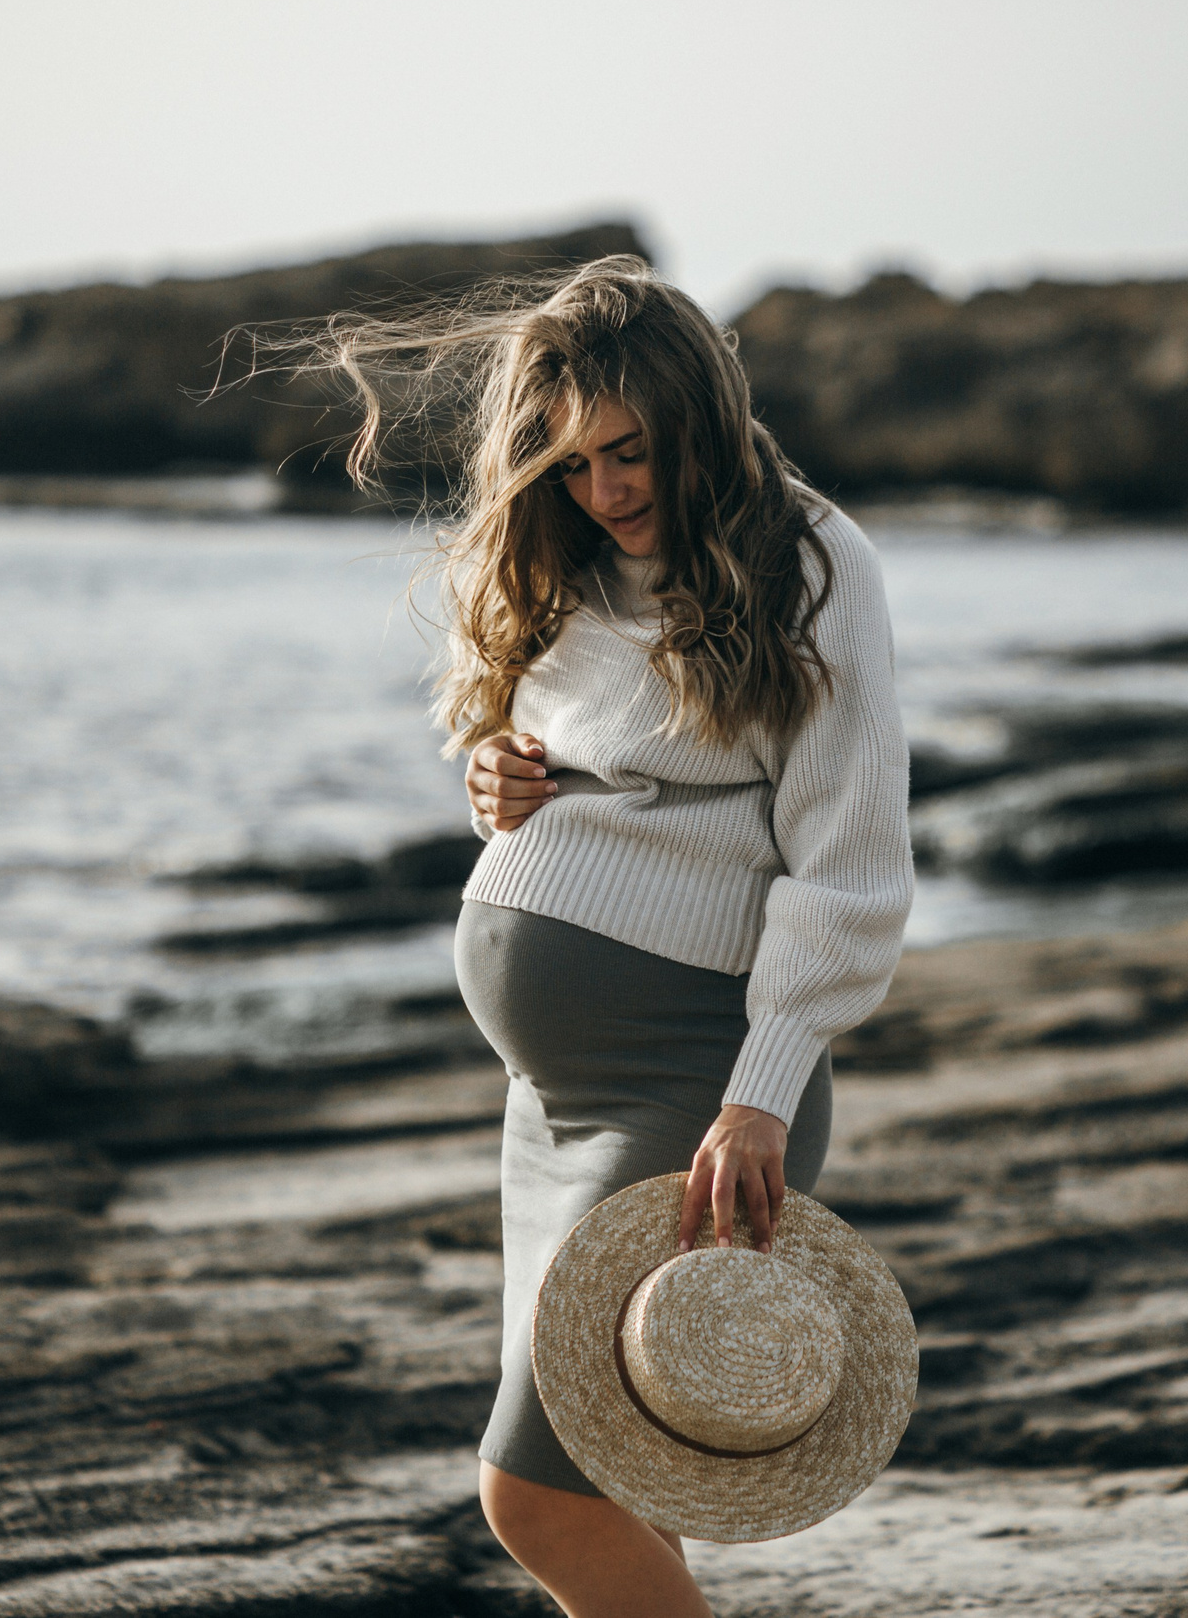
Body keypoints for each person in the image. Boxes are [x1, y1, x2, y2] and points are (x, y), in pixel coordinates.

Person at [300, 256, 912, 1618]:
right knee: (627, 1484)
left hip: (692, 1088)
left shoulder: (814, 566)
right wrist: (494, 781)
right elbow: (573, 759)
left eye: (630, 452)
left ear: (699, 418)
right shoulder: (574, 562)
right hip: (550, 1104)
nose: (606, 491)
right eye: (571, 465)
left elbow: (850, 867)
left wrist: (760, 1098)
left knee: (539, 1497)